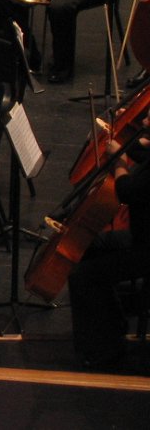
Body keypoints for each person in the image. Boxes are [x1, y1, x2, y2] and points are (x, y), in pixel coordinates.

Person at [68, 133, 150, 369]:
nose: (146, 119)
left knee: (82, 276)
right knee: (87, 245)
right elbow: (141, 153)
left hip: (146, 248)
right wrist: (129, 145)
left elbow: (128, 191)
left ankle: (104, 351)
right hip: (141, 237)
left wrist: (119, 162)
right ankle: (112, 326)